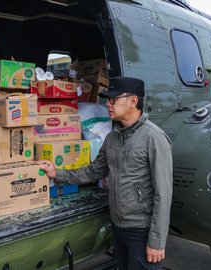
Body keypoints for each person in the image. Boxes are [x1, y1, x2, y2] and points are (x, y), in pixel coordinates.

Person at [38, 76, 173, 270]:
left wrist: (157, 241)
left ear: (133, 101)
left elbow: (164, 193)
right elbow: (93, 172)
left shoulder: (154, 138)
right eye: (106, 100)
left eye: (113, 99)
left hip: (141, 231)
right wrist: (57, 174)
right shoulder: (112, 138)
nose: (107, 104)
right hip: (118, 228)